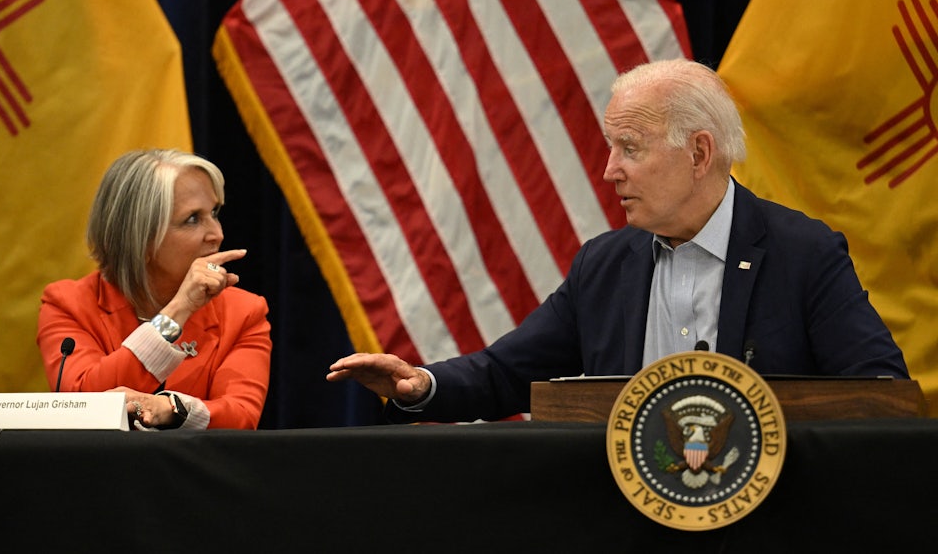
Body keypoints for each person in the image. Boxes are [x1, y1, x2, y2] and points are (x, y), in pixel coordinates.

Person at [326, 58, 910, 423]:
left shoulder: (801, 253)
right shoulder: (604, 265)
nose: (610, 171)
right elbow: (506, 374)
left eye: (630, 148)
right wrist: (420, 384)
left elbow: (882, 398)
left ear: (699, 153)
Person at [37, 148, 272, 430]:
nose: (217, 234)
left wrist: (174, 408)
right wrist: (177, 311)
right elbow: (86, 406)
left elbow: (241, 416)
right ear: (140, 238)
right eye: (193, 219)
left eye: (214, 213)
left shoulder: (244, 312)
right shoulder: (68, 304)